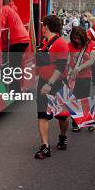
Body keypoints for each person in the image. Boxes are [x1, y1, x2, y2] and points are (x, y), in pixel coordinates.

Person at [34, 14, 70, 159]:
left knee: (62, 116)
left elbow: (61, 67)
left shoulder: (60, 43)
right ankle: (45, 146)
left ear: (47, 26)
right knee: (42, 114)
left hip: (57, 84)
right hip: (43, 81)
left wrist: (49, 84)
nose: (42, 27)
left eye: (43, 25)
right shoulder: (44, 42)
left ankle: (62, 137)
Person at [65, 26, 95, 132]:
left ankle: (89, 121)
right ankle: (76, 121)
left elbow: (92, 60)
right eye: (74, 38)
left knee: (84, 98)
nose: (76, 41)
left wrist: (80, 67)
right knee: (74, 99)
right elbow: (67, 59)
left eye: (78, 39)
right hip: (73, 77)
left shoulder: (91, 44)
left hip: (86, 75)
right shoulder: (70, 45)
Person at [1, 0, 30, 92]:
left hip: (18, 39)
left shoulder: (5, 9)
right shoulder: (10, 8)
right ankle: (16, 89)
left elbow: (1, 24)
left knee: (13, 66)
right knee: (14, 65)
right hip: (22, 38)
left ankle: (14, 90)